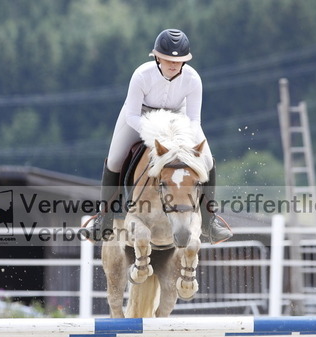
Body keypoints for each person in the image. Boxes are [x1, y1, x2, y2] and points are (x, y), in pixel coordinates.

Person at [82, 28, 232, 244]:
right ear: (157, 58)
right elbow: (132, 115)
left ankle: (210, 222)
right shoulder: (142, 75)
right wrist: (155, 133)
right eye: (168, 59)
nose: (173, 64)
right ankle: (103, 221)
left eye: (178, 61)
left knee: (207, 161)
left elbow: (193, 120)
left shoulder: (193, 79)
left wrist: (182, 141)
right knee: (114, 160)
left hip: (178, 117)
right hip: (140, 116)